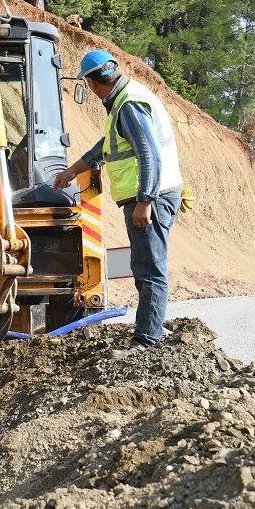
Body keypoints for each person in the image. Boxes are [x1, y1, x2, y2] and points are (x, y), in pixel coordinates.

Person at [53, 49, 183, 353]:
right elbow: (108, 146)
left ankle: (146, 341)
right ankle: (150, 330)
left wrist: (145, 200)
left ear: (93, 83)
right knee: (145, 265)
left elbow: (148, 153)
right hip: (153, 195)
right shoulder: (127, 100)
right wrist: (73, 170)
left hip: (151, 197)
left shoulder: (128, 106)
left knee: (149, 268)